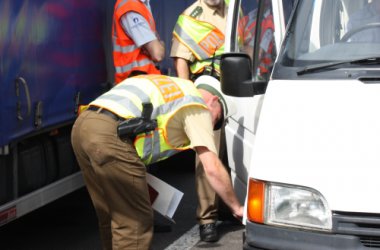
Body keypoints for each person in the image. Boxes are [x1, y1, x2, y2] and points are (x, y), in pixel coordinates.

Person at [71, 74, 243, 250]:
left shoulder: (172, 86)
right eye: (218, 120)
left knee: (111, 213)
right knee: (134, 221)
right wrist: (237, 208)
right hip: (109, 135)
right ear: (214, 101)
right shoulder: (196, 105)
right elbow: (212, 167)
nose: (213, 126)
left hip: (83, 126)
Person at [170, 0, 230, 242]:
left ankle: (237, 206)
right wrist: (189, 98)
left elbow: (245, 45)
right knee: (208, 155)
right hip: (207, 91)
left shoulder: (234, 8)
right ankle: (207, 219)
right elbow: (180, 60)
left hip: (236, 86)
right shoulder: (190, 16)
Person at [170, 0, 228, 81]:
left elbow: (245, 43)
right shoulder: (189, 18)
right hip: (210, 82)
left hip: (238, 76)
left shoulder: (235, 7)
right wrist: (188, 91)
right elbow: (180, 60)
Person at [112, 0, 165, 83]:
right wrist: (161, 44)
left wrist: (157, 45)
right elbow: (157, 53)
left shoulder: (141, 5)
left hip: (145, 80)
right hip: (136, 82)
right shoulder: (130, 6)